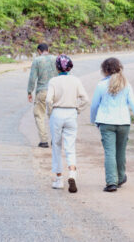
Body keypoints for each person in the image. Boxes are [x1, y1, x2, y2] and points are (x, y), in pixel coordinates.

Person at [90, 58, 134, 192]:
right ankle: (120, 177)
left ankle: (111, 182)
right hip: (123, 123)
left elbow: (94, 105)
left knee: (109, 152)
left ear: (105, 70)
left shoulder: (101, 85)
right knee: (120, 152)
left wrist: (94, 120)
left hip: (106, 122)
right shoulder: (126, 85)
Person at [46, 54, 89, 193]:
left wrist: (50, 113)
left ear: (57, 67)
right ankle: (72, 173)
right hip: (71, 113)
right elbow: (85, 99)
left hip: (57, 113)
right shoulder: (76, 80)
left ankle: (59, 179)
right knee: (70, 145)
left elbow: (48, 100)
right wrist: (78, 110)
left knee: (56, 146)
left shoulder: (53, 81)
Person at [27, 43, 58, 148]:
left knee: (39, 115)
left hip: (42, 91)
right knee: (53, 116)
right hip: (54, 91)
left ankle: (44, 141)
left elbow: (32, 78)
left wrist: (29, 91)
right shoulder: (56, 59)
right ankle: (55, 139)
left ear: (39, 51)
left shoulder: (37, 60)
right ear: (48, 50)